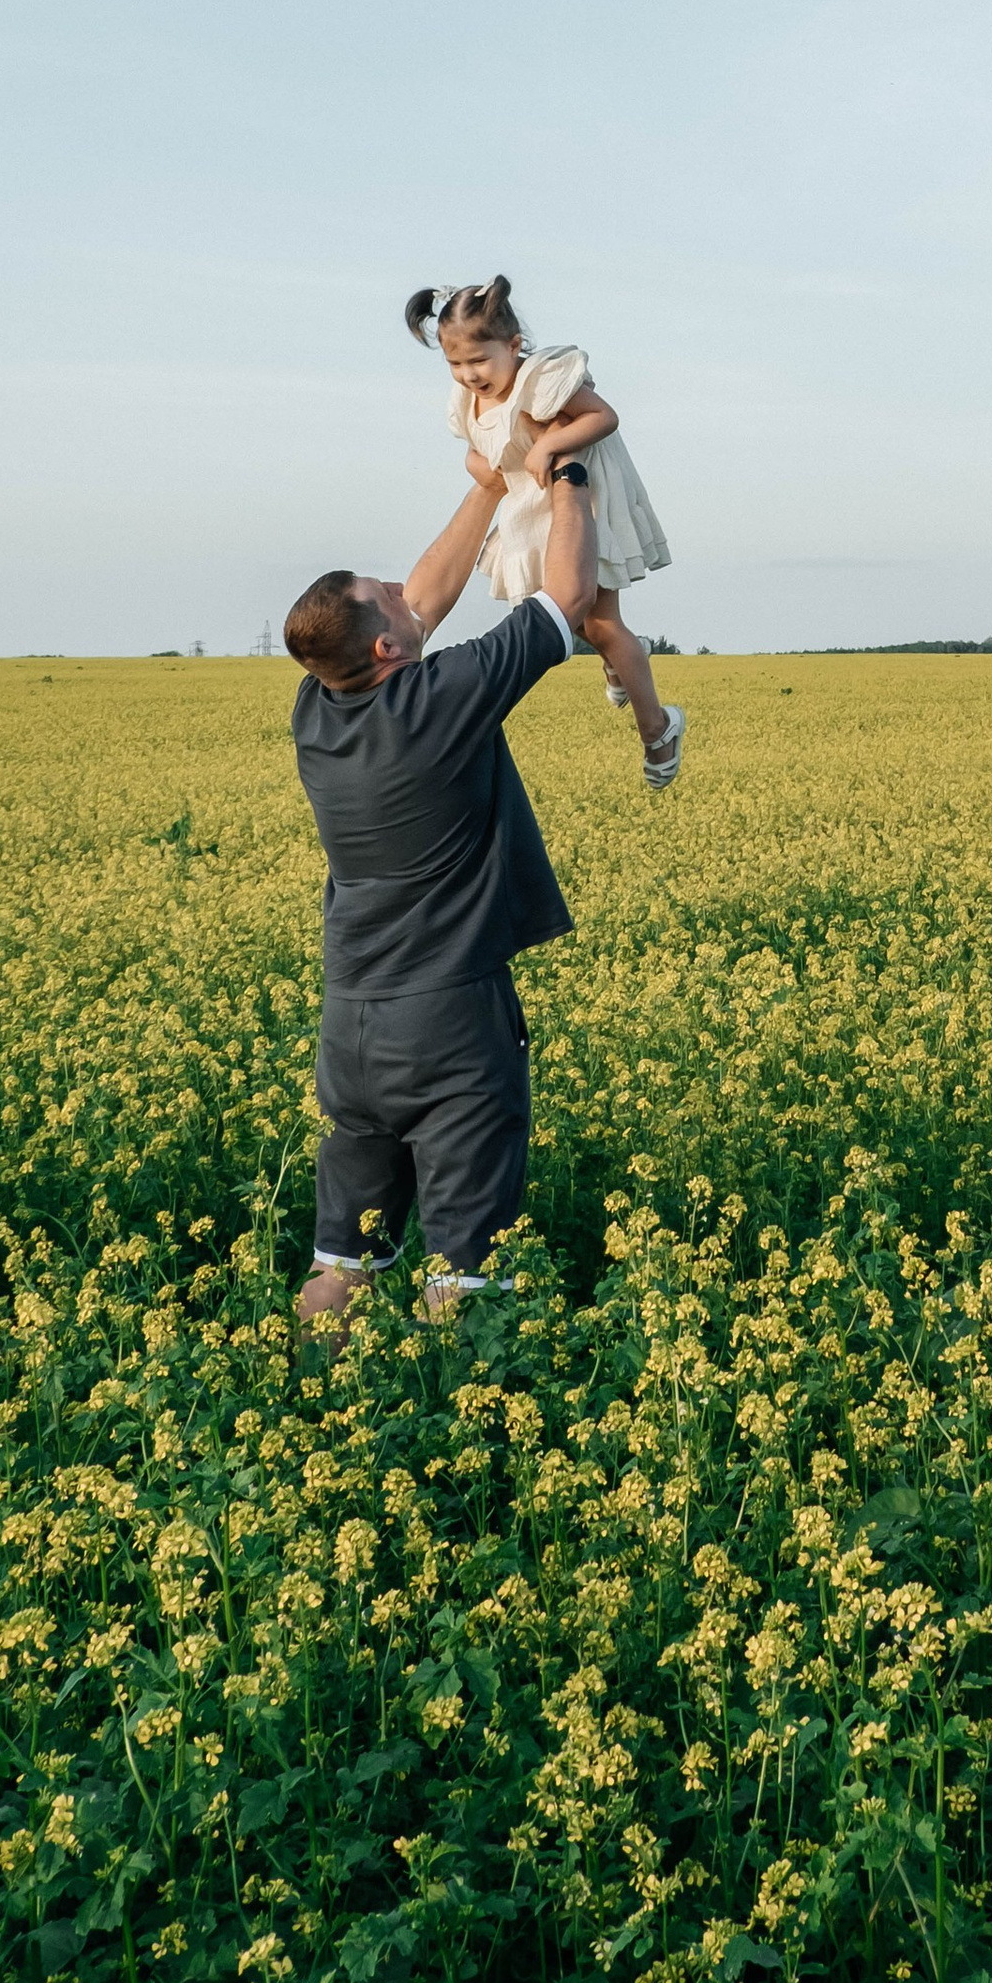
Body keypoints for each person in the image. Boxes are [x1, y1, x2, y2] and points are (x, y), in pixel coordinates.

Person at [280, 423, 598, 1330]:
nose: (401, 586)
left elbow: (420, 599)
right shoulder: (442, 699)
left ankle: (313, 1384)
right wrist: (568, 478)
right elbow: (567, 596)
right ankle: (459, 1404)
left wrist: (493, 486)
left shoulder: (317, 705)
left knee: (340, 1260)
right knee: (465, 1275)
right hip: (449, 1026)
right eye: (383, 594)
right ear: (385, 648)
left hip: (351, 1027)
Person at [404, 275, 683, 790]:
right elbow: (478, 451)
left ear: (513, 346)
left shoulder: (540, 379)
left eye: (479, 360)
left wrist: (548, 446)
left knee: (599, 623)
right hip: (532, 509)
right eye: (455, 364)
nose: (468, 374)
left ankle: (658, 729)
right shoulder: (467, 401)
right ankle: (624, 660)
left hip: (581, 500)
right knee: (568, 618)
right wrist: (482, 467)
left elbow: (603, 417)